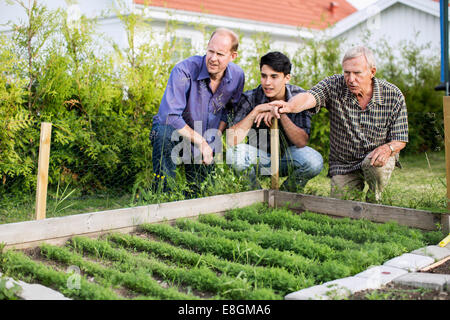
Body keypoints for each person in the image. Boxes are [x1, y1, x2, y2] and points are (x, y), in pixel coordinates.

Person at [268, 46, 408, 202]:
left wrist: (388, 148)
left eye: (357, 73)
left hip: (375, 157)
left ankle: (375, 201)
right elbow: (309, 97)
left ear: (372, 72)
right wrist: (290, 106)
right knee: (342, 207)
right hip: (344, 164)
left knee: (376, 167)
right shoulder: (334, 85)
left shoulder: (393, 95)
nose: (351, 79)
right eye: (347, 72)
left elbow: (400, 138)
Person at [150, 28, 244, 194]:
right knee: (162, 134)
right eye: (210, 51)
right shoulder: (184, 70)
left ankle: (189, 199)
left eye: (220, 54)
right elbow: (170, 116)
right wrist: (201, 142)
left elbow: (229, 111)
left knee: (204, 193)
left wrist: (214, 139)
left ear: (233, 56)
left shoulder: (237, 76)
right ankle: (163, 197)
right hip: (175, 133)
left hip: (206, 139)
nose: (213, 58)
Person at [226, 51, 323, 192]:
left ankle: (285, 195)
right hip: (260, 157)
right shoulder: (250, 97)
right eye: (263, 76)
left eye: (274, 77)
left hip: (288, 157)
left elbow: (301, 142)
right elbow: (231, 140)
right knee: (234, 155)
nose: (267, 82)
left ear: (287, 78)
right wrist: (256, 111)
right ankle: (256, 196)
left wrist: (280, 112)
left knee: (314, 162)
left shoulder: (299, 96)